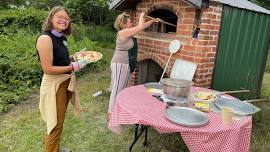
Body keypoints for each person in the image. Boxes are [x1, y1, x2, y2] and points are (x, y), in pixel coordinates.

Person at [36, 6, 89, 152]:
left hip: (65, 82)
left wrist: (76, 57)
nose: (63, 20)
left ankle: (55, 148)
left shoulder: (62, 38)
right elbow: (48, 68)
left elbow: (62, 59)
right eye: (60, 17)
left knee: (59, 121)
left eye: (66, 18)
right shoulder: (45, 38)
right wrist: (74, 67)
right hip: (55, 85)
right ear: (51, 17)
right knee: (55, 124)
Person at [108, 12, 159, 115]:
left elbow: (143, 26)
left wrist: (153, 20)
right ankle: (111, 113)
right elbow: (140, 26)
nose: (132, 23)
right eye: (130, 21)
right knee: (117, 88)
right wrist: (141, 15)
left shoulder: (129, 32)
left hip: (126, 64)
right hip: (119, 64)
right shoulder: (122, 32)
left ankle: (120, 109)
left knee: (124, 88)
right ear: (123, 24)